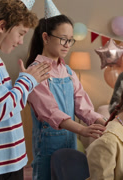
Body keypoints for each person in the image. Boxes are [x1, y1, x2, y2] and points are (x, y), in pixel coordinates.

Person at [0, 0, 51, 179]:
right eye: (21, 34)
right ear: (2, 26)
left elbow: (8, 105)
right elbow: (1, 110)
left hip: (9, 161)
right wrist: (27, 81)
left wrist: (26, 82)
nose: (21, 42)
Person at [26, 15, 106, 180]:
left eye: (71, 40)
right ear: (46, 37)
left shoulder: (68, 71)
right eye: (63, 39)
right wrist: (83, 130)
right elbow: (51, 112)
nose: (67, 45)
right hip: (47, 147)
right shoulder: (34, 72)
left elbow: (83, 106)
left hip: (70, 144)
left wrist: (103, 122)